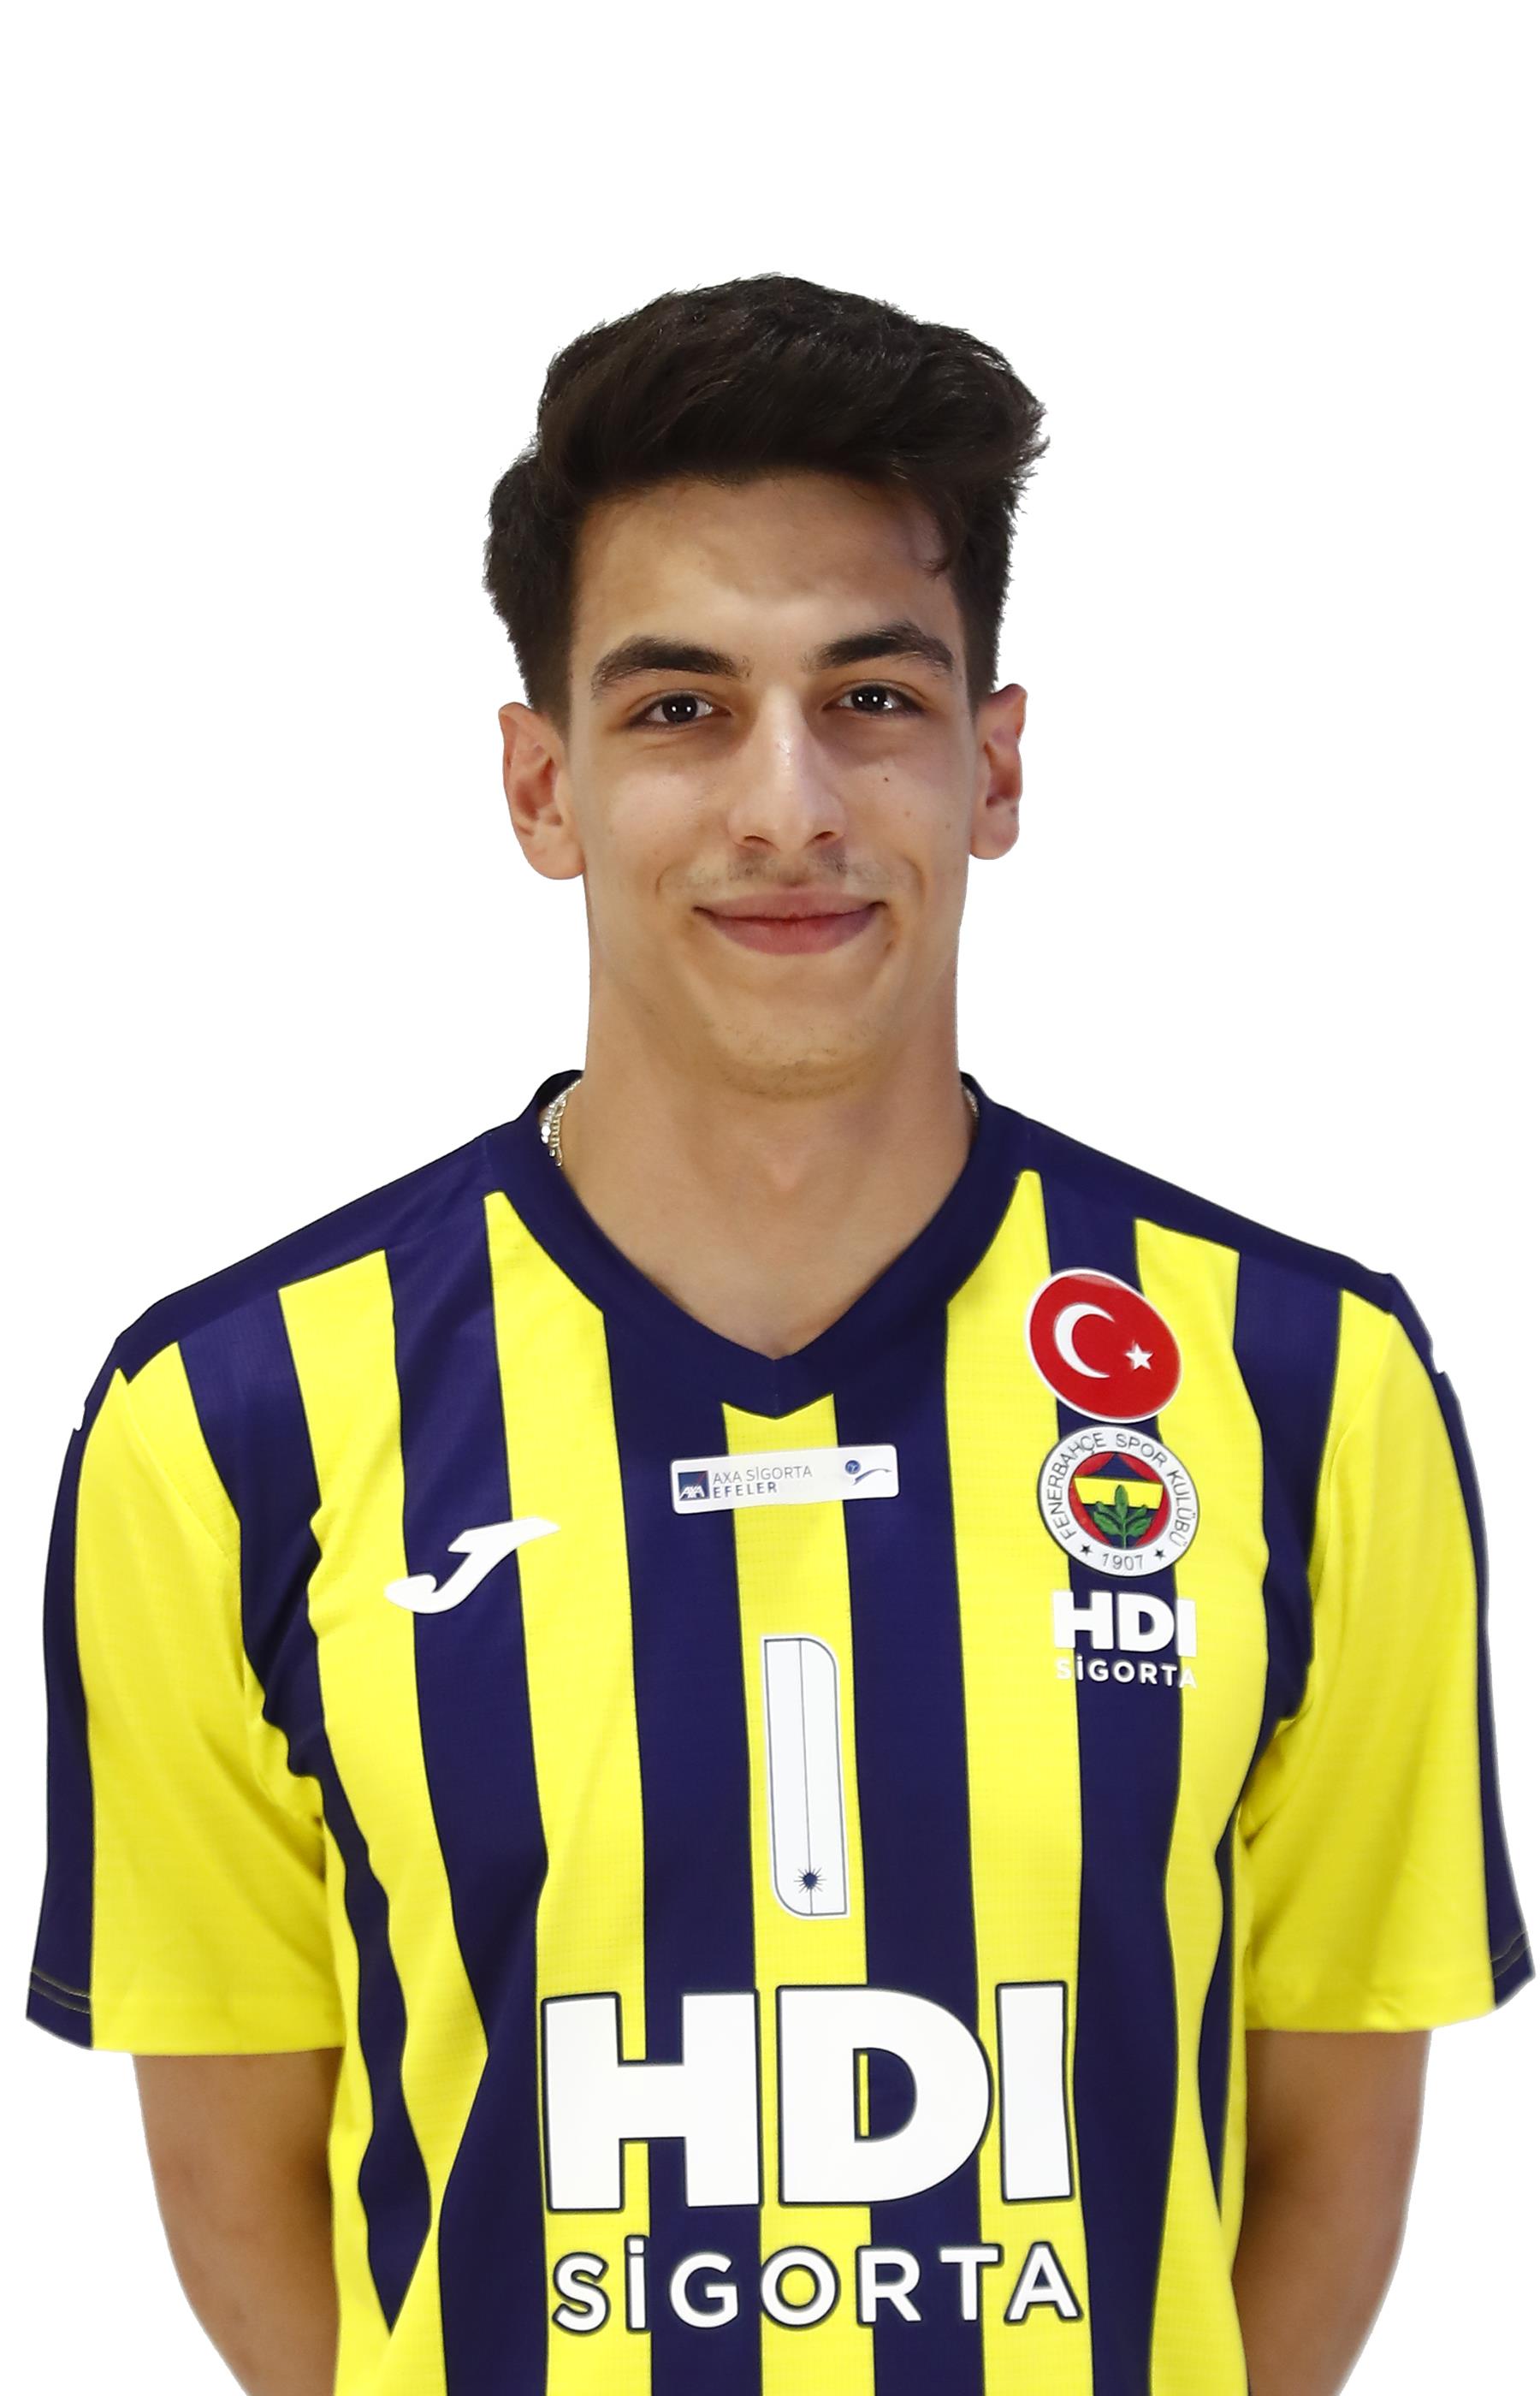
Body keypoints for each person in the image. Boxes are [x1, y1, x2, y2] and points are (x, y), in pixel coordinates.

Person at [25, 271, 1531, 2396]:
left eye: (873, 696)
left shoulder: (1304, 1390)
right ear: (541, 786)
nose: (788, 804)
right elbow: (246, 2186)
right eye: (680, 709)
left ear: (995, 762)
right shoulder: (228, 1423)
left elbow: (1324, 2160)